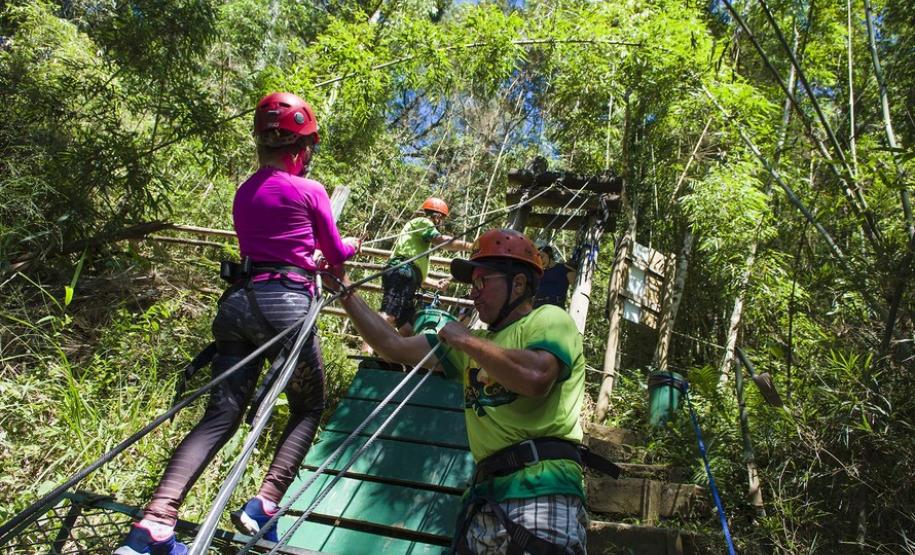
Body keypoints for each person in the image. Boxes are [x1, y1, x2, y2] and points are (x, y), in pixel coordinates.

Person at [114, 92, 360, 555]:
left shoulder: (245, 190)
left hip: (239, 304)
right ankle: (264, 504)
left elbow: (273, 243)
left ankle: (154, 525)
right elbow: (334, 252)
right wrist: (352, 247)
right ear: (301, 150)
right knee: (308, 407)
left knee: (220, 415)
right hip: (285, 304)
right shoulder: (310, 190)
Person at [331, 228, 591, 554]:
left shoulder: (550, 319)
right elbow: (392, 345)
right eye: (472, 284)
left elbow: (537, 377)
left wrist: (466, 340)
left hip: (542, 488)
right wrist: (344, 290)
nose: (474, 292)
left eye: (484, 281)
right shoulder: (471, 346)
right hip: (486, 498)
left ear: (519, 284)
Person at [374, 197, 472, 339]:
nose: (441, 222)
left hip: (407, 276)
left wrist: (436, 283)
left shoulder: (419, 246)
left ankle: (394, 358)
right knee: (388, 314)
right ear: (437, 216)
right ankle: (367, 350)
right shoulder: (423, 222)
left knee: (407, 329)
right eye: (442, 219)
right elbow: (440, 241)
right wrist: (469, 246)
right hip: (402, 271)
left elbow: (420, 277)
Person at [534, 243, 577, 309]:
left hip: (555, 307)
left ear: (549, 255)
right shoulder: (540, 273)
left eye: (542, 257)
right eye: (538, 258)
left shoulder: (564, 268)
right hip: (537, 308)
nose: (541, 260)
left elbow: (577, 287)